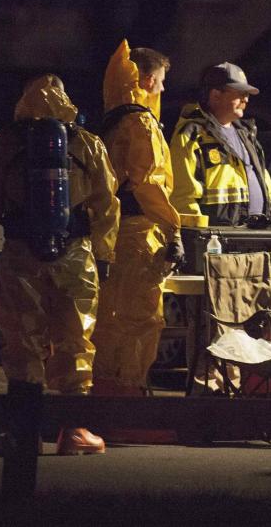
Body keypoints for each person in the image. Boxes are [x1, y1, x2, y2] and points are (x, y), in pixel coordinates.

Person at [0, 75, 119, 455]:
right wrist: (104, 254)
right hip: (76, 253)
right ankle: (75, 431)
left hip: (21, 253)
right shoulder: (86, 143)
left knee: (23, 342)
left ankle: (24, 433)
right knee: (76, 338)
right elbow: (106, 203)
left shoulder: (7, 144)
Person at [92, 41, 184, 398]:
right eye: (160, 81)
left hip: (111, 232)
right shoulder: (140, 123)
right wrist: (172, 228)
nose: (162, 89)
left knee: (107, 317)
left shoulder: (111, 118)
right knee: (141, 319)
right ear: (146, 81)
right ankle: (128, 399)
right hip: (137, 234)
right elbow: (150, 183)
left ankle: (100, 398)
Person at [169, 62, 271, 230]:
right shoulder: (192, 134)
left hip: (252, 237)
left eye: (247, 94)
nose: (246, 99)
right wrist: (199, 235)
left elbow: (265, 190)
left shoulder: (246, 134)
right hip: (216, 241)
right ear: (216, 95)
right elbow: (182, 195)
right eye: (239, 94)